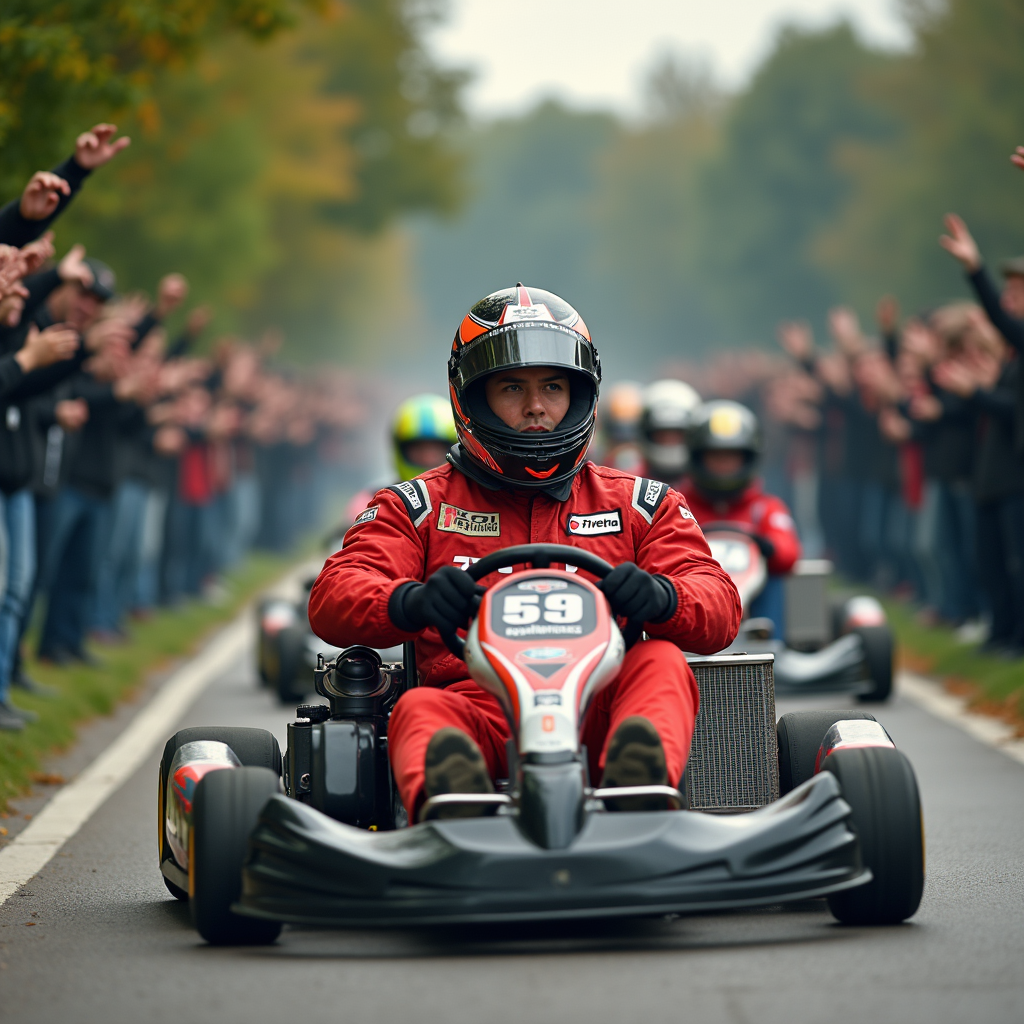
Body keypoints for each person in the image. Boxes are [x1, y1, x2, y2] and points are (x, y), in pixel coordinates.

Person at [309, 284, 740, 822]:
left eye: (553, 387)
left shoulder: (641, 504)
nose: (536, 407)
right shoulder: (417, 505)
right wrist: (409, 601)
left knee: (659, 659)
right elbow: (335, 594)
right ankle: (455, 805)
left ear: (580, 395)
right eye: (512, 387)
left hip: (598, 706)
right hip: (478, 705)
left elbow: (719, 603)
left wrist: (662, 596)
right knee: (419, 707)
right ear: (471, 396)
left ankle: (640, 787)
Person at [681, 400, 801, 632]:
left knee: (774, 578)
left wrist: (766, 547)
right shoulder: (678, 502)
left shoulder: (764, 508)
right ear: (698, 458)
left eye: (731, 457)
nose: (724, 465)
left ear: (747, 459)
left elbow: (789, 554)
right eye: (716, 457)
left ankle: (771, 645)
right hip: (696, 596)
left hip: (753, 603)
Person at [342, 393, 457, 529]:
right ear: (400, 450)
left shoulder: (470, 498)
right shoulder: (370, 502)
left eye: (436, 450)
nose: (427, 458)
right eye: (418, 449)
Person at [638, 378, 702, 487]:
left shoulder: (704, 490)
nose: (669, 442)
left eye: (677, 435)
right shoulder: (630, 483)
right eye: (661, 435)